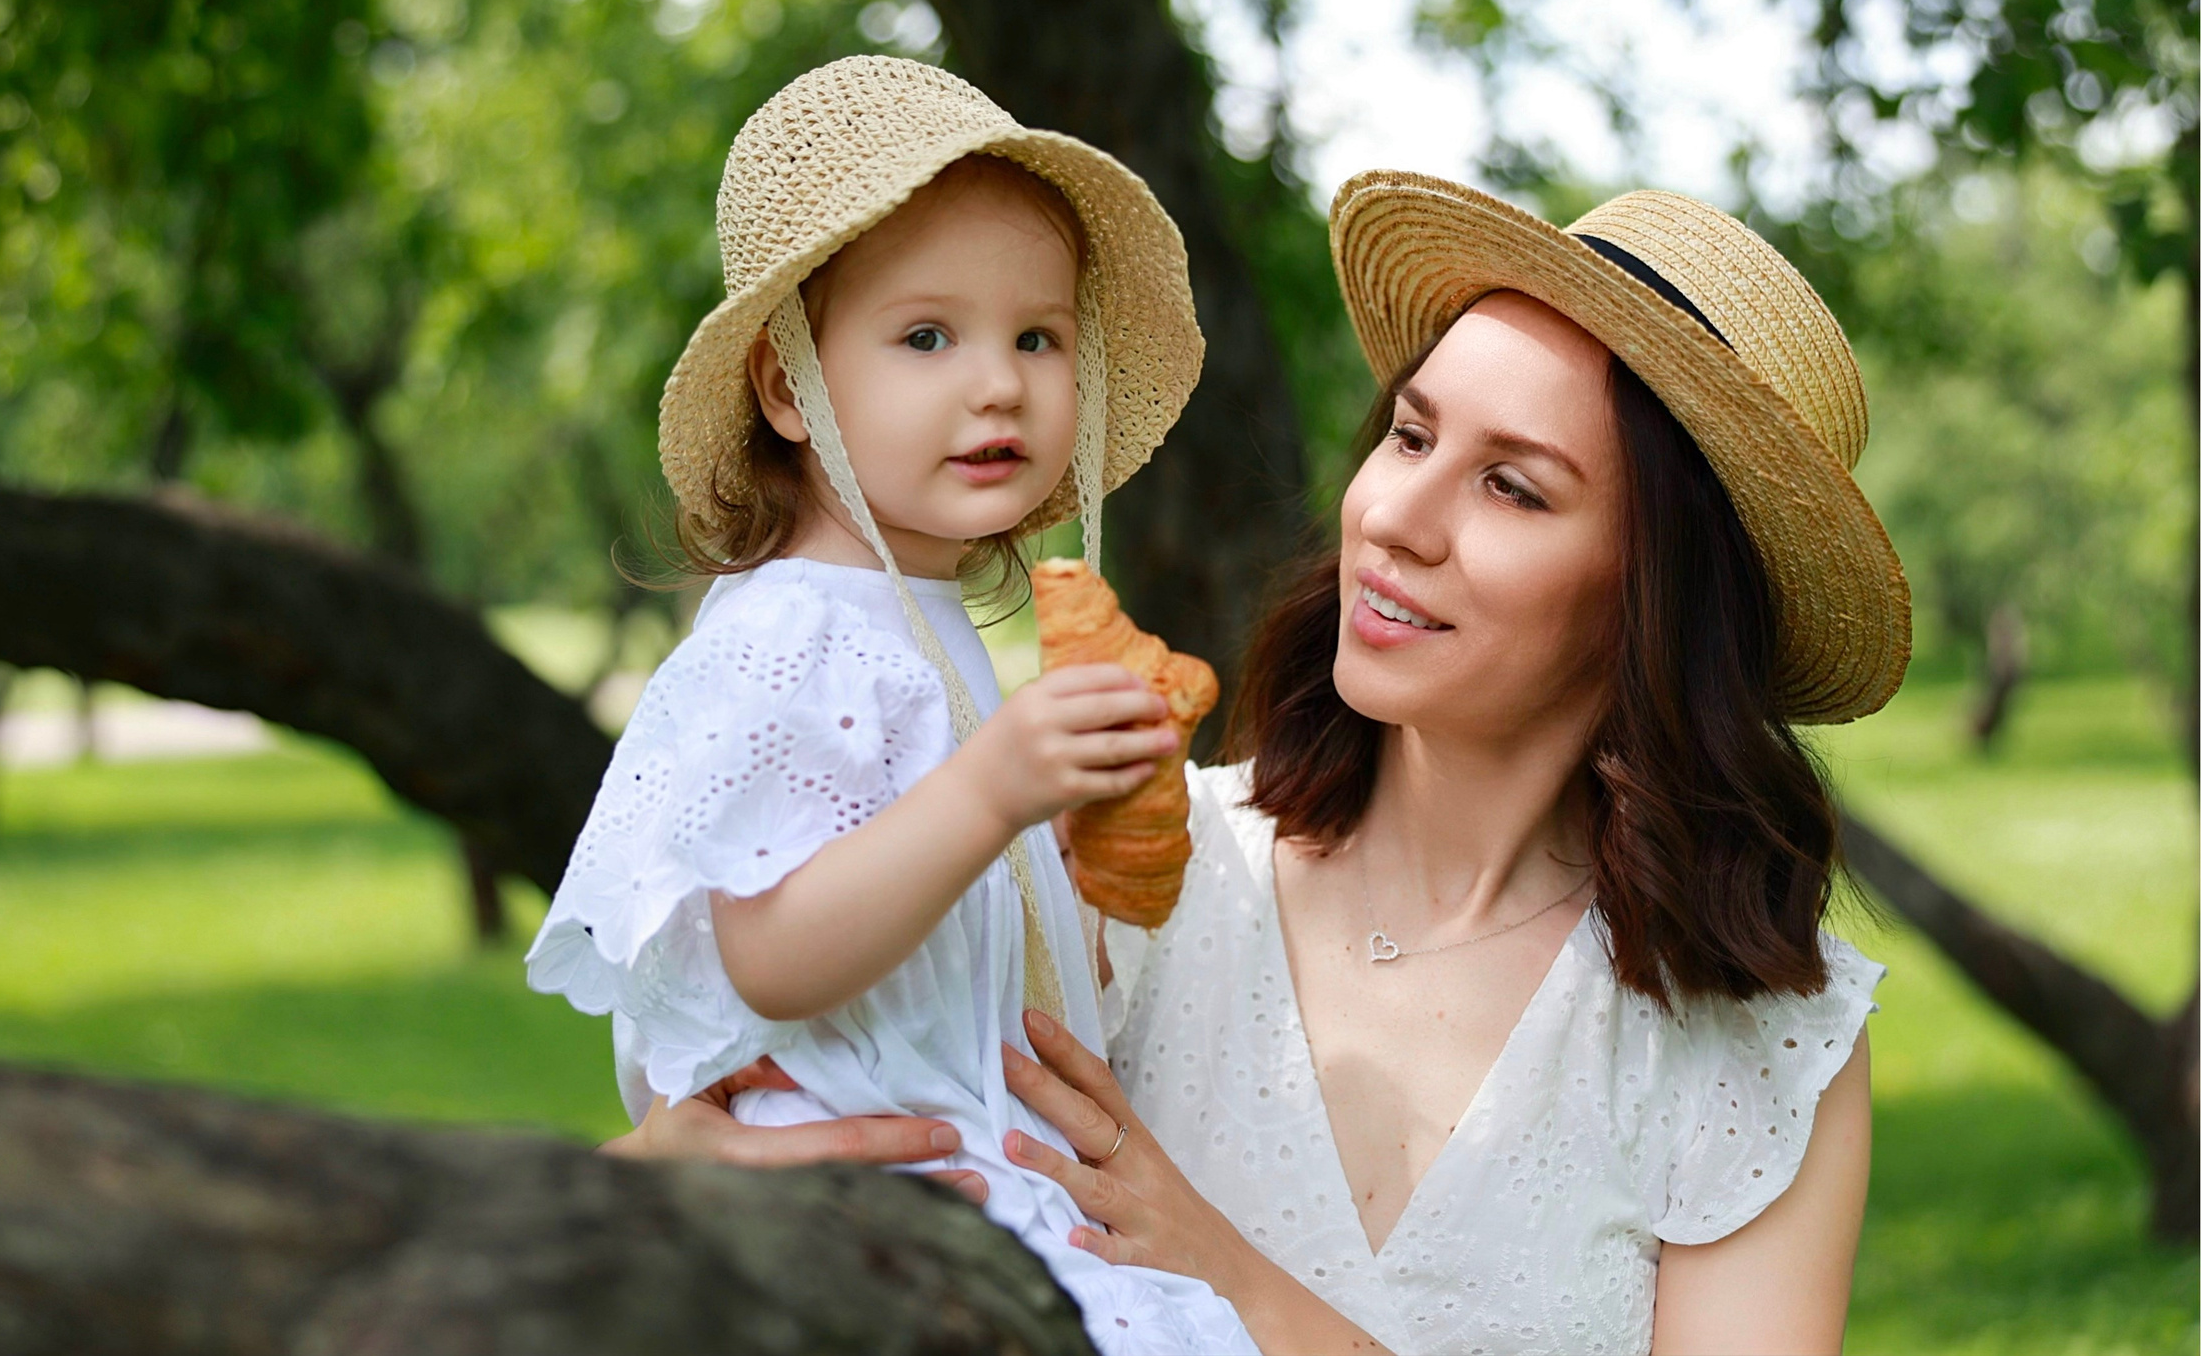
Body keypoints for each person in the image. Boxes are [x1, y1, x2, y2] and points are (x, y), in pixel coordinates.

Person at [605, 170, 1911, 1356]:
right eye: (1409, 436)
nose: (1395, 517)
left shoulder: (1754, 1045)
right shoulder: (1128, 881)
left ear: (1657, 597)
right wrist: (666, 1169)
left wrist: (1236, 1281)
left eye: (1512, 486)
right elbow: (828, 1074)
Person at [525, 56, 1260, 1354]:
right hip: (853, 1176)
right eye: (928, 336)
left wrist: (1081, 873)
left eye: (1036, 336)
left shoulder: (960, 634)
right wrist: (990, 793)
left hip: (988, 1167)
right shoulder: (787, 631)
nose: (998, 385)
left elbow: (979, 934)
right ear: (785, 389)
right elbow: (767, 953)